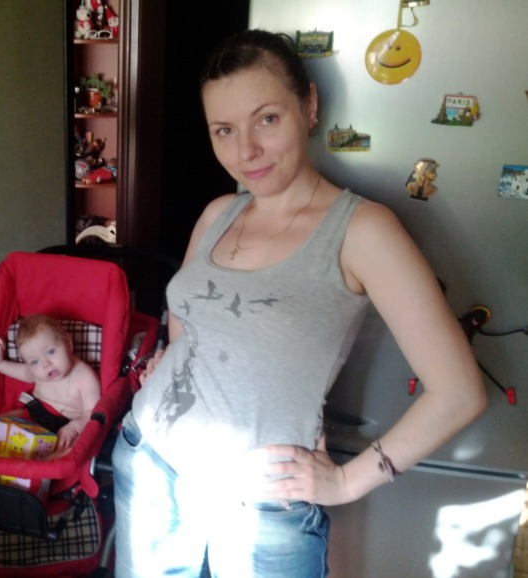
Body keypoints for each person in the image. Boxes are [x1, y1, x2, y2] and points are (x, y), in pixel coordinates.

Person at [111, 29, 486, 578]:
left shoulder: (362, 230)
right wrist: (173, 361)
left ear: (308, 106)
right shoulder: (217, 214)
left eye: (266, 119)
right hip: (151, 459)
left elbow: (459, 393)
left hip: (261, 502)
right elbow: (188, 325)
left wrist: (347, 480)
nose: (246, 151)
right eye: (224, 130)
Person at [0, 314, 101, 453]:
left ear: (68, 343)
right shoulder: (37, 372)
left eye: (51, 351)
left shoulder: (85, 377)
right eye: (34, 362)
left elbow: (92, 412)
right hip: (34, 412)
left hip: (66, 423)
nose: (45, 364)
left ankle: (49, 462)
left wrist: (74, 427)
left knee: (70, 448)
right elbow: (21, 371)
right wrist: (0, 364)